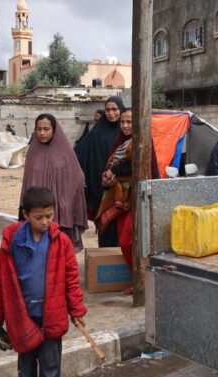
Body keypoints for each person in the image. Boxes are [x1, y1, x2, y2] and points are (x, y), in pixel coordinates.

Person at [0, 187, 87, 377]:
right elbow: (1, 282)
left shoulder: (61, 242)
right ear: (25, 215)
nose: (45, 222)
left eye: (49, 216)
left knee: (51, 364)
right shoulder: (12, 242)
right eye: (38, 217)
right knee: (26, 362)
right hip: (22, 316)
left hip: (52, 313)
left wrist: (76, 309)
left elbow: (71, 279)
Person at [98, 109, 160, 292]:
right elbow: (113, 168)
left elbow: (137, 167)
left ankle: (144, 282)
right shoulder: (120, 143)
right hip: (121, 202)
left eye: (130, 122)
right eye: (123, 122)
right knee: (126, 243)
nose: (125, 126)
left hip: (139, 200)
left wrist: (115, 171)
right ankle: (138, 280)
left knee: (135, 242)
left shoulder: (143, 143)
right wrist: (107, 180)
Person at [20, 114, 89, 252]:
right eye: (39, 129)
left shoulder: (65, 152)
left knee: (60, 252)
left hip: (61, 211)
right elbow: (28, 182)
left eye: (46, 129)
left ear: (54, 129)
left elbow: (77, 177)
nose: (42, 133)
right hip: (38, 212)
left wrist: (66, 201)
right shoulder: (33, 153)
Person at [75, 96, 126, 221]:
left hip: (124, 183)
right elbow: (80, 152)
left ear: (121, 110)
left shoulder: (126, 129)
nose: (111, 113)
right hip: (102, 184)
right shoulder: (97, 131)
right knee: (104, 222)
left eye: (114, 109)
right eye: (107, 110)